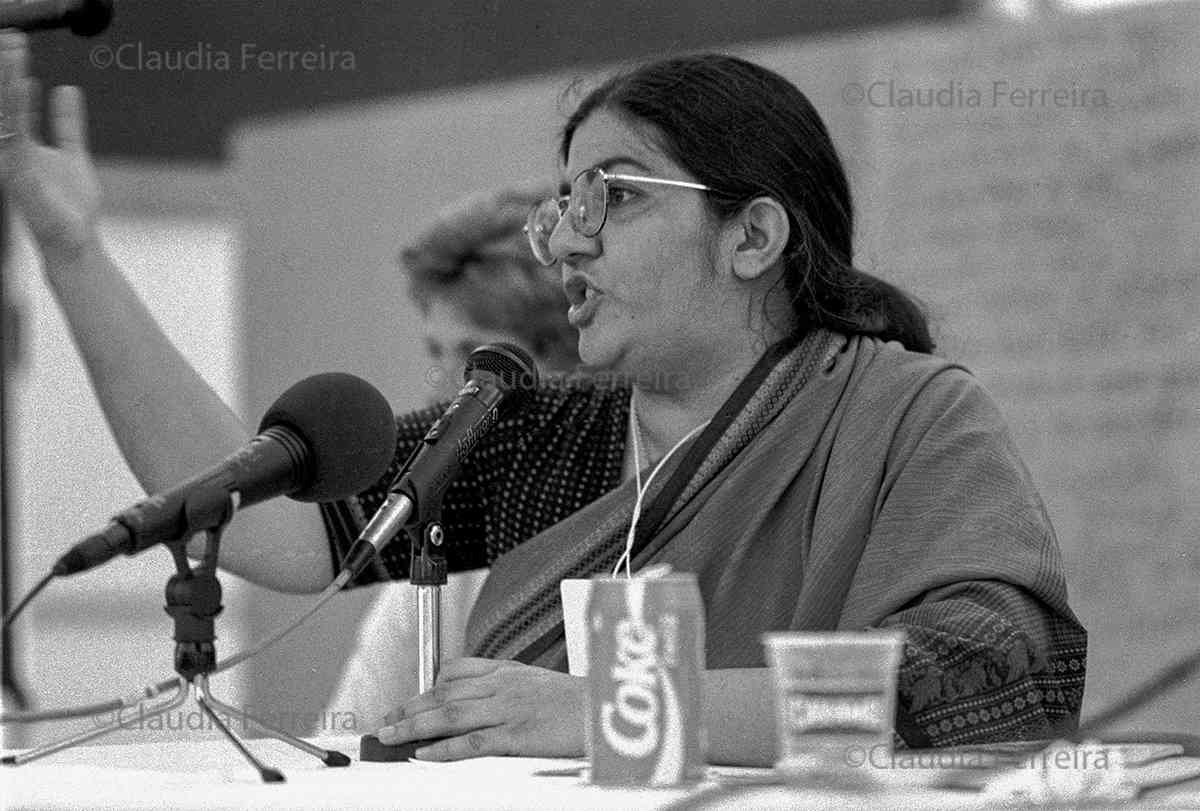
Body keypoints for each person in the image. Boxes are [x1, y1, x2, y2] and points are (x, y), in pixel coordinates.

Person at [0, 32, 1086, 766]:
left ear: (753, 235)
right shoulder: (548, 430)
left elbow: (994, 683)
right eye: (560, 205)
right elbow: (275, 523)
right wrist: (76, 253)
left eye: (608, 196)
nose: (566, 244)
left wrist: (617, 715)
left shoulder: (909, 413)